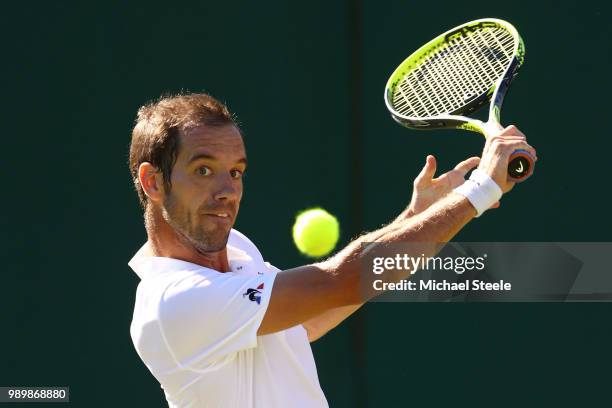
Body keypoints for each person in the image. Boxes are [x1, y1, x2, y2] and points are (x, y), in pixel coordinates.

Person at [128, 92, 536, 407]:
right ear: (154, 182)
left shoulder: (232, 249)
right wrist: (478, 190)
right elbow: (342, 281)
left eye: (236, 172)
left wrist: (416, 215)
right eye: (204, 170)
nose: (227, 192)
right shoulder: (174, 303)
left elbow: (300, 325)